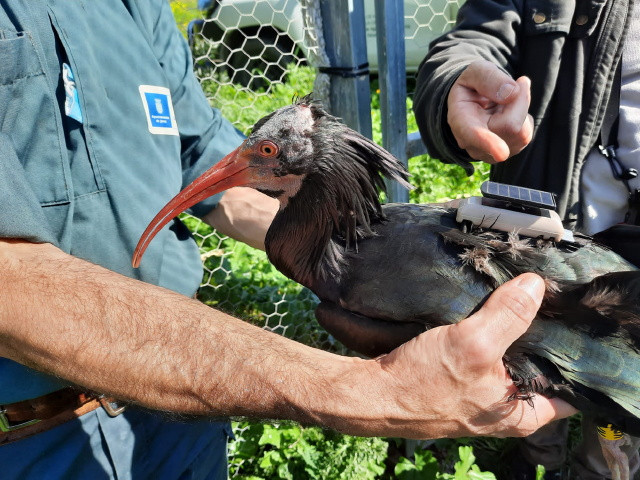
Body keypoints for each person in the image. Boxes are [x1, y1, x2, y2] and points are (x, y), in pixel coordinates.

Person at [0, 1, 573, 478]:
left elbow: (202, 165)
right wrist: (366, 394)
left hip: (182, 419)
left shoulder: (135, 7)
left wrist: (360, 250)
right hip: (35, 436)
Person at [413, 0, 638, 478]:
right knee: (534, 380)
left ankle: (601, 466)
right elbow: (474, 41)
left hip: (631, 274)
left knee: (615, 405)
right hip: (542, 249)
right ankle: (539, 458)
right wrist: (456, 82)